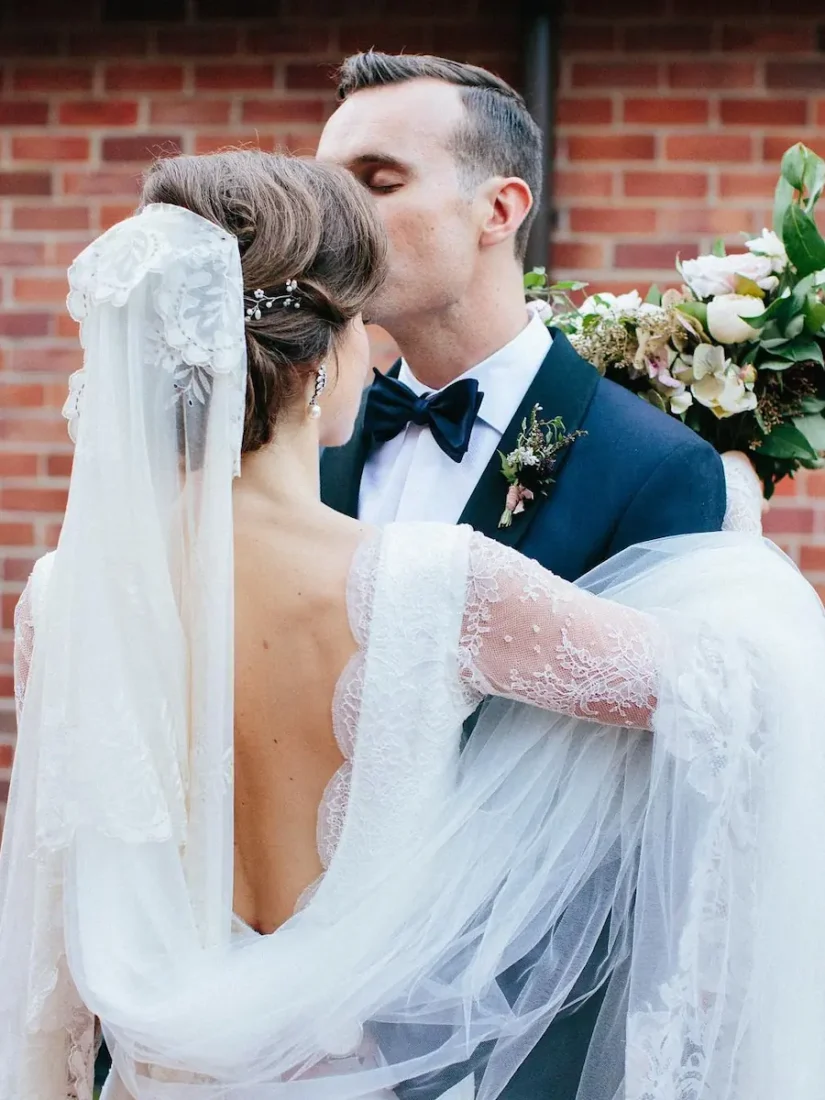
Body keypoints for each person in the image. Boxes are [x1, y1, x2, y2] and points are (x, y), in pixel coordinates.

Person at [1, 151, 824, 1100]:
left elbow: (49, 934)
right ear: (322, 362)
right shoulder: (433, 585)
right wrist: (733, 514)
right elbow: (737, 692)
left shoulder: (65, 600)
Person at [315, 52, 727, 1100]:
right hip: (300, 1013)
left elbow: (661, 824)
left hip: (511, 1041)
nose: (334, 215)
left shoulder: (652, 467)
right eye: (325, 184)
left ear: (500, 206)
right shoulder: (301, 446)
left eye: (377, 178)